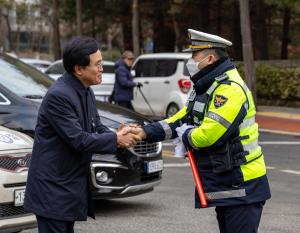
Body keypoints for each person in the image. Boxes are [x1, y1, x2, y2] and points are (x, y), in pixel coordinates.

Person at [130, 29, 271, 233]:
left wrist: (185, 135)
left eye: (194, 55)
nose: (190, 60)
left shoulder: (229, 89)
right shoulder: (206, 85)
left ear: (210, 58)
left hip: (243, 184)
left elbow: (207, 136)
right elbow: (182, 119)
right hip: (227, 183)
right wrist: (145, 132)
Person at [24, 37, 140, 233]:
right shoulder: (59, 96)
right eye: (98, 64)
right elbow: (78, 139)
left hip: (67, 187)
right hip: (52, 190)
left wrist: (118, 134)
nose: (102, 68)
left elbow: (95, 126)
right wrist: (116, 139)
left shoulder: (85, 91)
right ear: (79, 69)